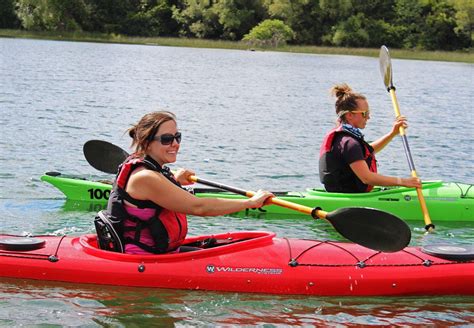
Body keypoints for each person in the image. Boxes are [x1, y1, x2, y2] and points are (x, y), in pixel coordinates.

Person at [104, 111, 273, 254]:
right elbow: (199, 207)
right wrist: (250, 203)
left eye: (177, 137)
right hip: (144, 257)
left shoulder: (150, 167)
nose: (175, 144)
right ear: (147, 143)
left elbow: (153, 191)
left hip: (161, 252)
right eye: (167, 139)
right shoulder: (145, 177)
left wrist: (174, 180)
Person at [319, 83, 422, 193]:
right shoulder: (349, 143)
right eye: (364, 113)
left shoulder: (346, 139)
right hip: (349, 196)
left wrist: (392, 133)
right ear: (349, 115)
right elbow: (367, 178)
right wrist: (403, 182)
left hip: (347, 192)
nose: (368, 117)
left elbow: (367, 151)